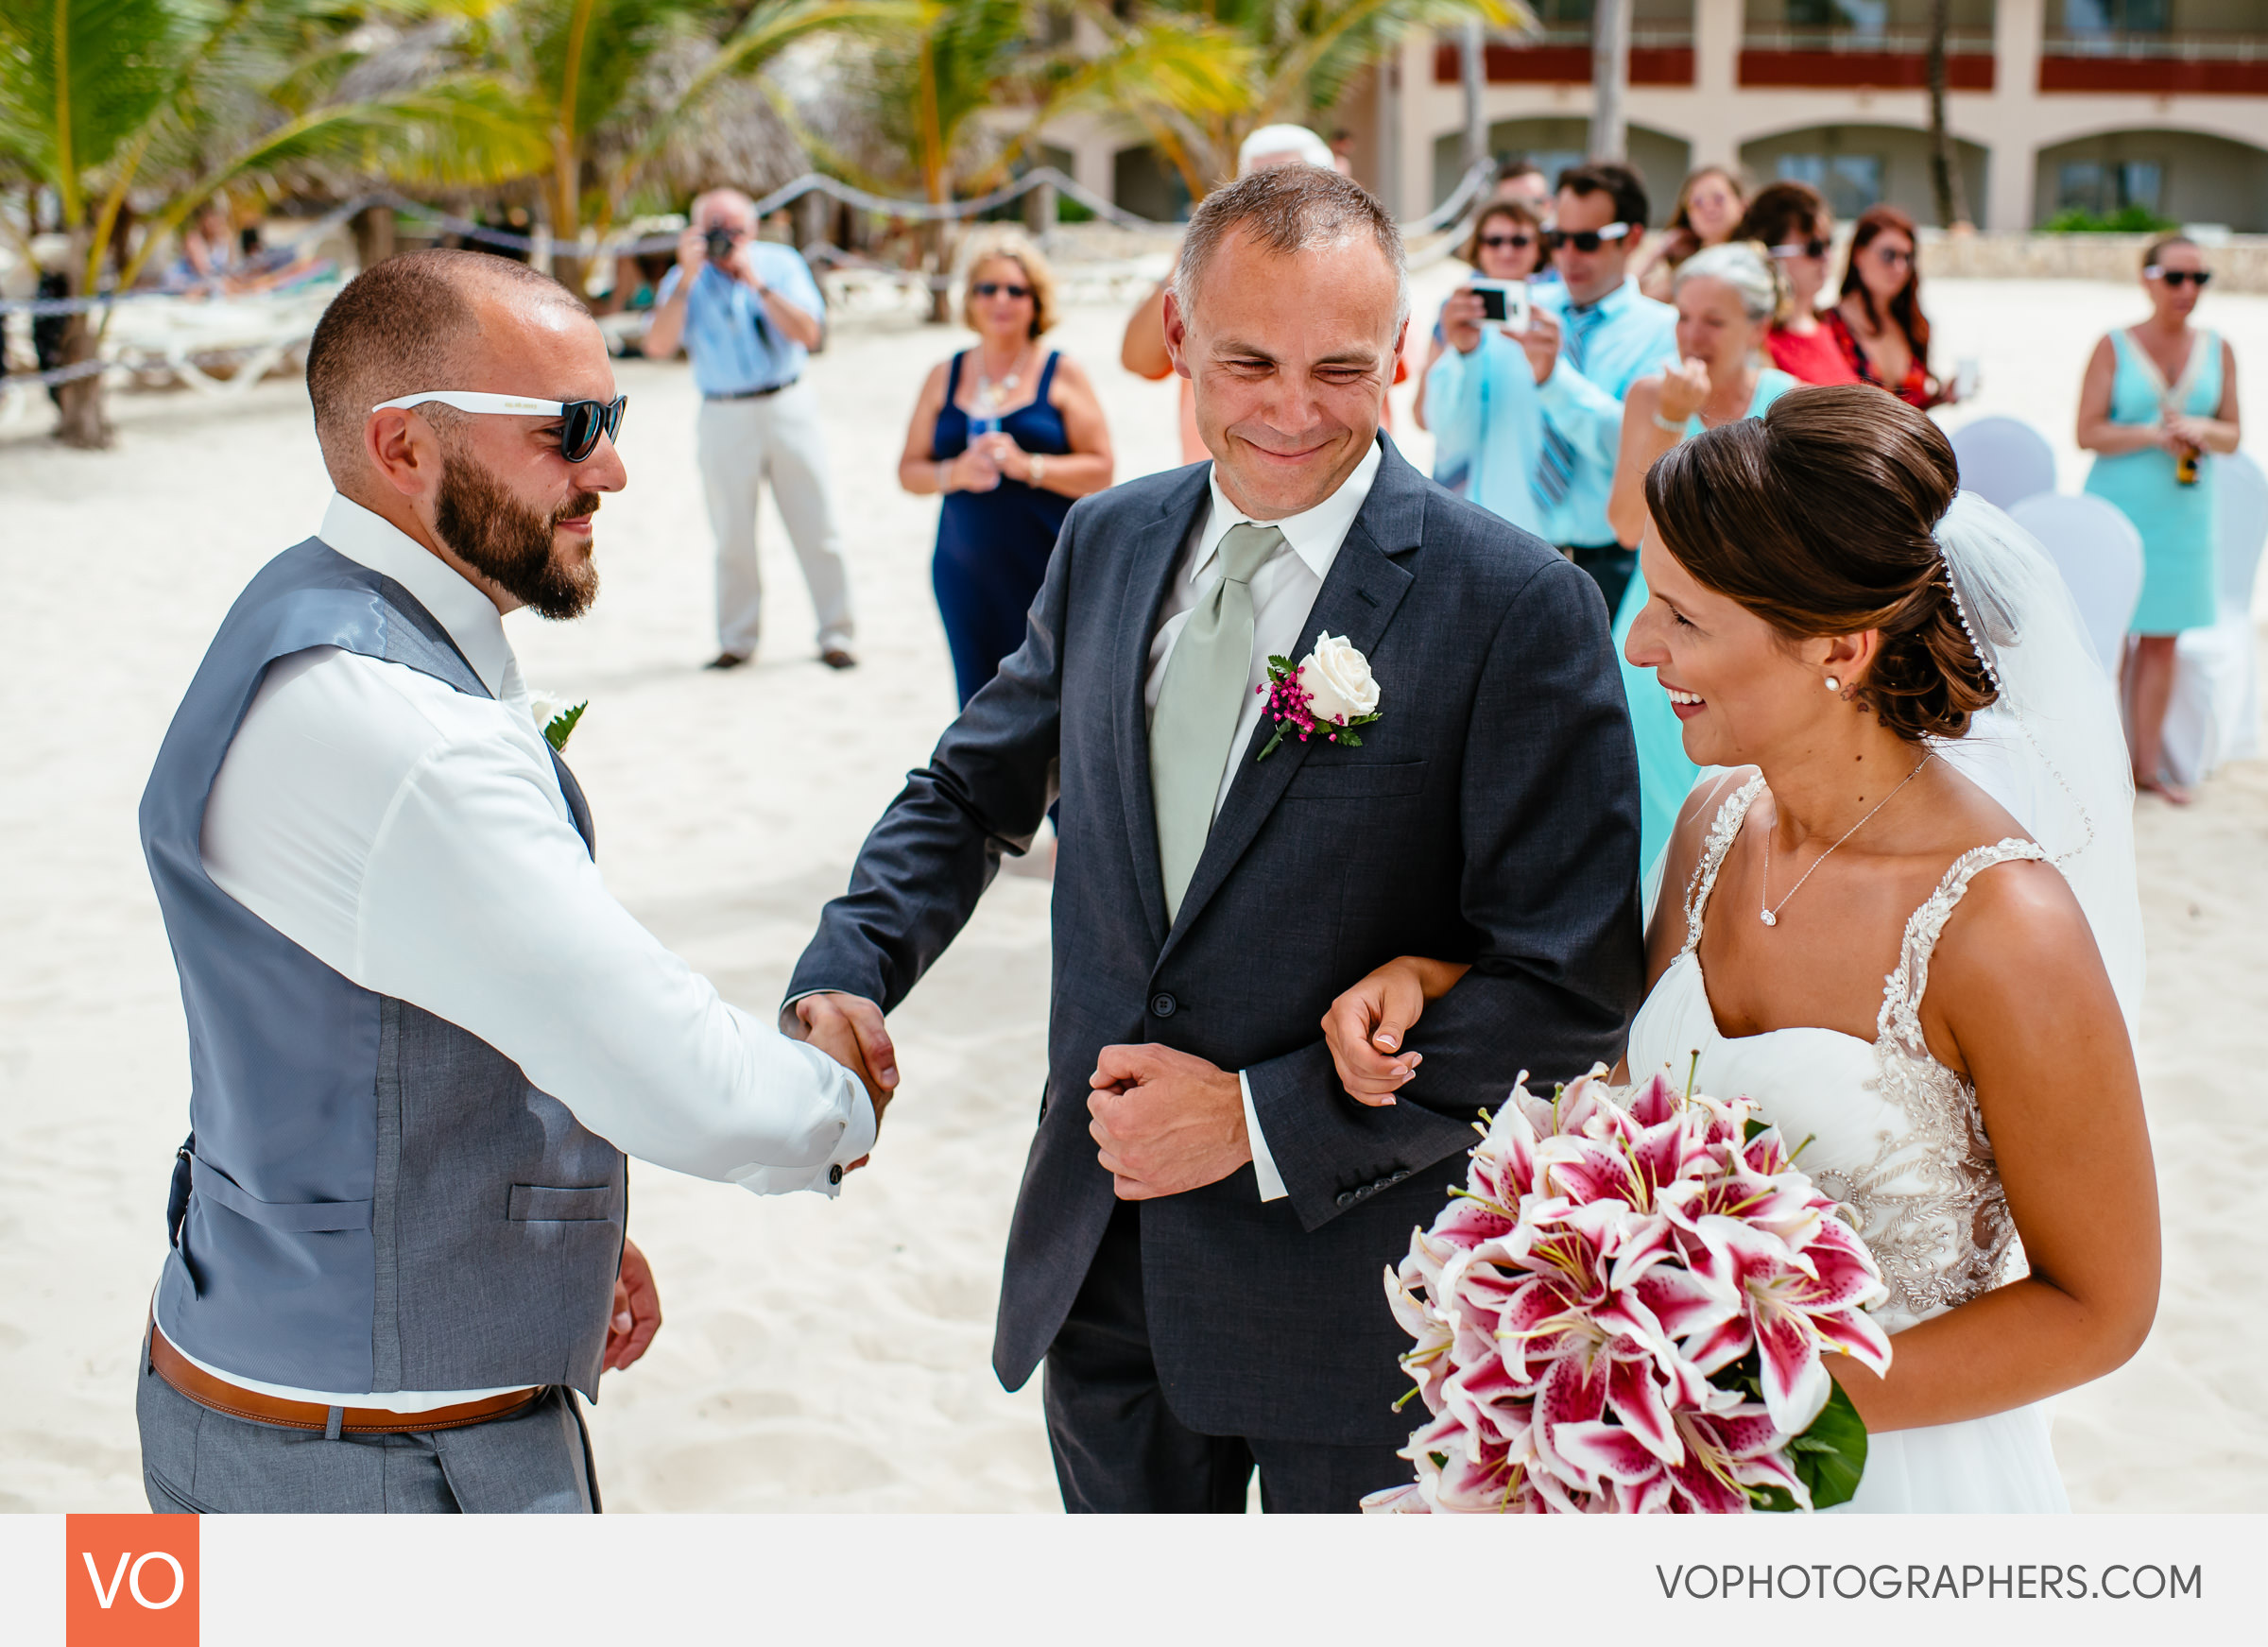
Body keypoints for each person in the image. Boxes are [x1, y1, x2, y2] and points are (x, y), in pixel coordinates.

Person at [784, 165, 1642, 1513]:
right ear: (1176, 338)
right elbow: (968, 792)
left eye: (1341, 367)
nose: (1293, 411)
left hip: (1361, 1306)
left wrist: (1258, 1116)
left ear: (1402, 353)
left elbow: (1571, 985)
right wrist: (849, 965)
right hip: (1099, 1265)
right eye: (1248, 360)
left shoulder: (1517, 604)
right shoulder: (1107, 541)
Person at [133, 249, 883, 1514]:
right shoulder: (403, 734)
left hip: (265, 1391)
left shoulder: (297, 608)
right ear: (403, 446)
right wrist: (836, 1096)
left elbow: (365, 1016)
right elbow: (677, 1074)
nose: (613, 468)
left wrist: (547, 1237)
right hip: (376, 1462)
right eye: (569, 429)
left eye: (617, 415)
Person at [1326, 386, 2159, 1514]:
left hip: (1887, 1486)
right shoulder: (1714, 825)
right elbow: (1628, 1099)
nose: (1637, 643)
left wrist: (1747, 1409)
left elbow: (2101, 1306)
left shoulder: (2004, 927)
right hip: (1649, 1478)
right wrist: (1433, 978)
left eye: (1684, 616)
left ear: (1840, 647)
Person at [1605, 241, 1799, 870]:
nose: (1693, 335)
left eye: (1714, 321)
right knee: (1644, 800)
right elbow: (1630, 526)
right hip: (1657, 625)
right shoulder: (1648, 396)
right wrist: (1670, 419)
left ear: (1758, 327)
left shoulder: (1794, 404)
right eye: (1683, 316)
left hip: (1753, 632)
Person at [899, 228, 1114, 708]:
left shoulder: (1062, 371)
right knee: (978, 702)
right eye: (987, 288)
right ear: (970, 300)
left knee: (1052, 705)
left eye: (1016, 290)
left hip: (1047, 568)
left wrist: (1028, 466)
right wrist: (952, 473)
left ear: (1036, 301)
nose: (1001, 299)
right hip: (963, 570)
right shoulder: (944, 374)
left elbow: (1101, 471)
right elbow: (908, 470)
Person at [644, 188, 856, 670]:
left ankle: (837, 634)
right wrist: (685, 279)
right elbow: (658, 345)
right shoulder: (683, 279)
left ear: (753, 229)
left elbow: (810, 333)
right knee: (731, 534)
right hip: (723, 412)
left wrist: (755, 282)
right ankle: (736, 640)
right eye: (714, 230)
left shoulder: (780, 264)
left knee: (816, 524)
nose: (725, 240)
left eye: (733, 230)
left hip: (787, 402)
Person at [2078, 234, 2243, 803]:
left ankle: (2147, 769)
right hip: (2121, 508)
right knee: (2112, 642)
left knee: (2163, 643)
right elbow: (2087, 431)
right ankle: (2105, 770)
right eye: (2176, 277)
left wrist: (2200, 431)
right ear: (2149, 278)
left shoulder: (2219, 348)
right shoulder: (2113, 346)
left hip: (2184, 513)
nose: (2187, 290)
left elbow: (2233, 432)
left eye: (2199, 279)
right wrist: (2153, 434)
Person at [1123, 126, 1398, 466]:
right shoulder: (1215, 263)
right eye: (1257, 187)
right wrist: (1195, 255)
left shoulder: (1360, 268)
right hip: (1218, 478)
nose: (1274, 204)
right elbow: (1138, 359)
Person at [1516, 160, 1679, 621]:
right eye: (1557, 238)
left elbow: (1634, 450)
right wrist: (1461, 356)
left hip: (1611, 559)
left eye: (1587, 241)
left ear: (1630, 238)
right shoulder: (1523, 310)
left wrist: (1553, 379)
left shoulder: (1664, 331)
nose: (1568, 255)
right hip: (1518, 544)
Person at [1410, 196, 1543, 440]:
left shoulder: (1553, 312)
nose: (1506, 251)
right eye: (1494, 241)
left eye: (1519, 241)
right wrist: (1460, 352)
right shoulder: (1455, 309)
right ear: (1478, 247)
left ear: (1539, 247)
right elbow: (1421, 416)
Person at [1823, 204, 1949, 409]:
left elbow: (1910, 412)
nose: (1900, 268)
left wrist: (1942, 397)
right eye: (1889, 255)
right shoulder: (1827, 326)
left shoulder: (1913, 325)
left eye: (1907, 258)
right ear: (1859, 255)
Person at [1737, 180, 1861, 386]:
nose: (1826, 257)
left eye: (1829, 243)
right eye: (1813, 247)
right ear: (1769, 254)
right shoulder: (1755, 342)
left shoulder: (1834, 325)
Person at [1632, 164, 1745, 301]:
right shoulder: (1688, 270)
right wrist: (1658, 250)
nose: (1708, 207)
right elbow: (1630, 299)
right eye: (1698, 202)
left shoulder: (1755, 257)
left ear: (1742, 204)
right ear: (1688, 214)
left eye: (1718, 199)